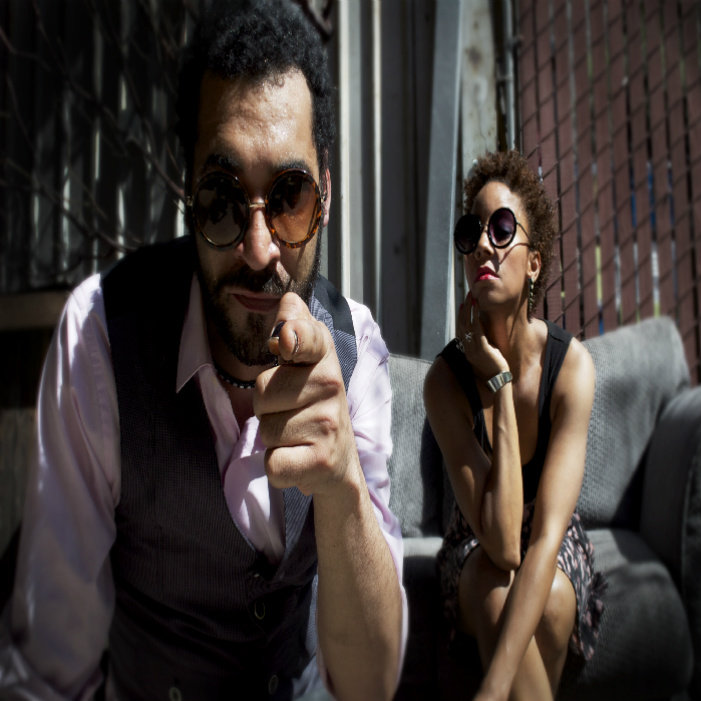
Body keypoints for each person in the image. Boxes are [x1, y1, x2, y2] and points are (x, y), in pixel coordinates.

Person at [0, 2, 406, 699]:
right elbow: (51, 671)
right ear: (187, 190)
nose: (258, 248)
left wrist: (342, 484)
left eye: (290, 196)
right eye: (222, 196)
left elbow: (368, 685)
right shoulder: (100, 338)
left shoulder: (356, 353)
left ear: (327, 196)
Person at [424, 150, 604, 701]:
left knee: (550, 598)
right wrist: (499, 384)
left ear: (533, 264)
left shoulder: (570, 368)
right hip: (476, 543)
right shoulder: (445, 383)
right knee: (494, 586)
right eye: (471, 231)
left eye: (502, 229)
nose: (483, 244)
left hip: (554, 542)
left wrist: (494, 689)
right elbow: (502, 544)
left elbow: (545, 537)